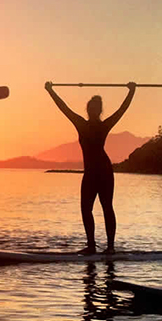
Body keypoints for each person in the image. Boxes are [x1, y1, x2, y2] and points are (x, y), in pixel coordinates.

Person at [45, 82, 135, 254]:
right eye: (90, 108)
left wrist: (132, 92)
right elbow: (63, 107)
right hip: (90, 173)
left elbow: (122, 109)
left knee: (107, 206)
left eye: (95, 108)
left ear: (99, 111)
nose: (92, 111)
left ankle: (110, 247)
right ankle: (92, 246)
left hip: (104, 172)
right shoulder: (81, 123)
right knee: (86, 209)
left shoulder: (103, 126)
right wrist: (51, 90)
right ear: (88, 109)